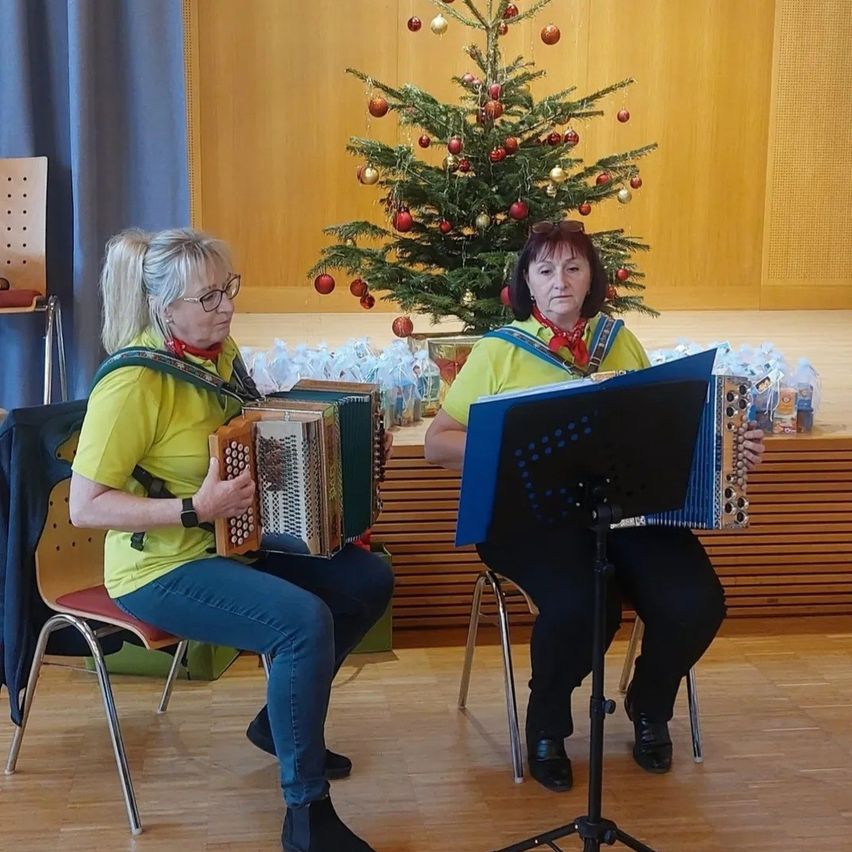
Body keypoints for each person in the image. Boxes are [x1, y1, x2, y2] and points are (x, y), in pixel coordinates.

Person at [69, 228, 393, 851]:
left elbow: (253, 435)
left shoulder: (217, 352)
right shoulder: (133, 383)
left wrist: (349, 446)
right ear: (164, 308)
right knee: (301, 622)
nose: (226, 307)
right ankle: (306, 817)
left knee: (367, 579)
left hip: (234, 543)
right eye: (208, 297)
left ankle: (279, 724)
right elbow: (87, 507)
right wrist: (197, 507)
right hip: (158, 569)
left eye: (229, 290)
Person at [424, 220, 765, 792]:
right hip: (531, 516)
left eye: (573, 267)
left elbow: (667, 432)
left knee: (696, 602)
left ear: (591, 279)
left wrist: (731, 449)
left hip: (626, 509)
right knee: (588, 607)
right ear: (527, 284)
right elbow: (438, 443)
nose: (560, 280)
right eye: (546, 269)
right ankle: (548, 724)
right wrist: (520, 446)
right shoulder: (496, 353)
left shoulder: (619, 342)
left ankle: (650, 705)